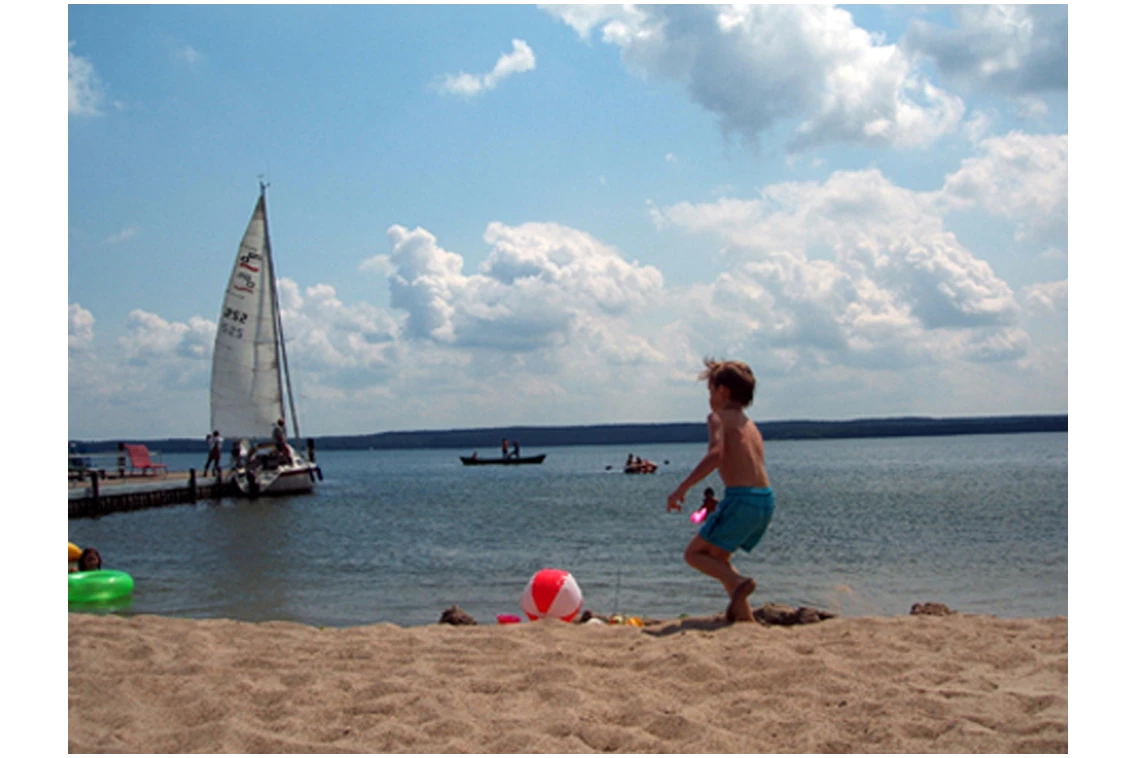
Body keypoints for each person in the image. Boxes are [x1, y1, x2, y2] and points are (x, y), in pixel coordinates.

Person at [666, 358, 774, 623]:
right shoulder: (750, 425)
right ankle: (745, 618)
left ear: (722, 391)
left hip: (741, 499)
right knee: (719, 557)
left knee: (694, 554)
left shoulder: (717, 418)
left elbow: (715, 456)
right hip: (765, 500)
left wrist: (682, 488)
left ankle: (738, 582)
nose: (710, 399)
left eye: (710, 392)